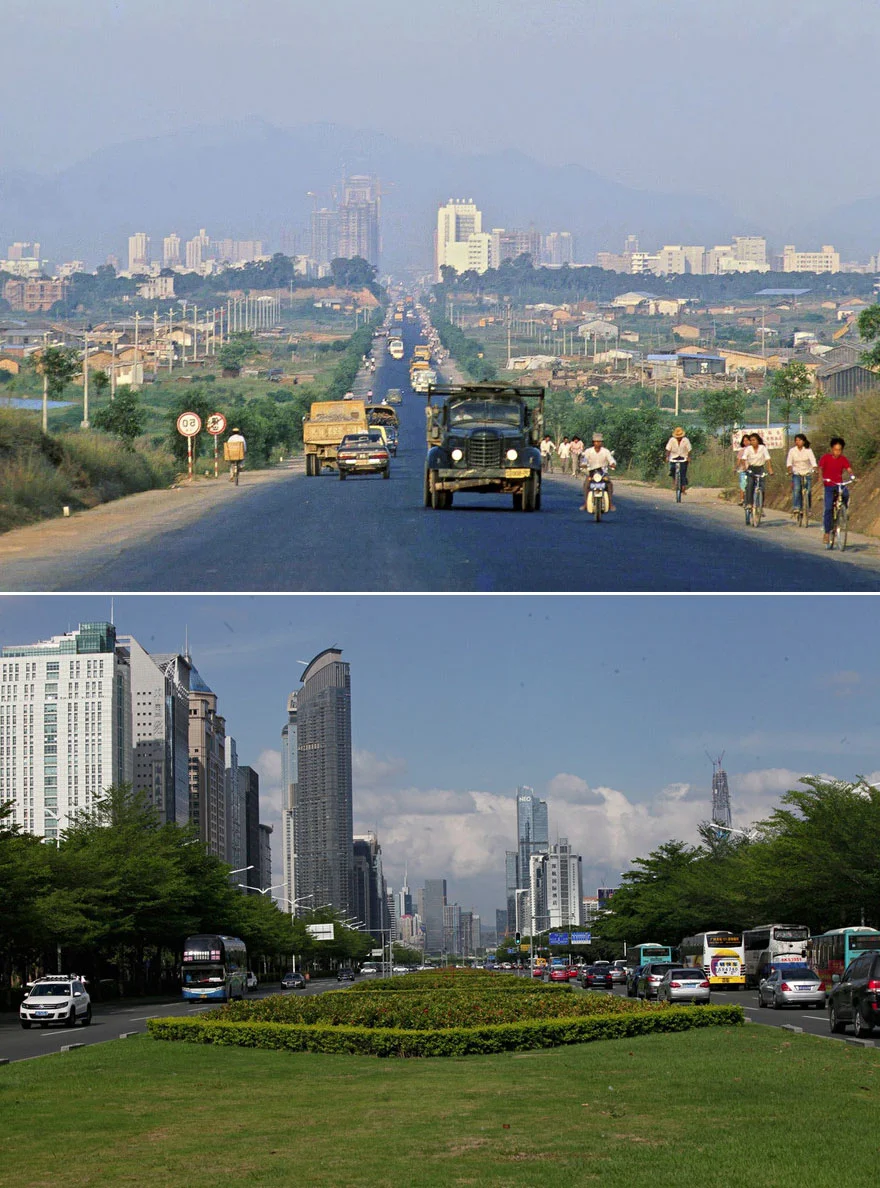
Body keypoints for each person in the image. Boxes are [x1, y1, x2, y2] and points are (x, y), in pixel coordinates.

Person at [818, 436, 856, 546]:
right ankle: (826, 532)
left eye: (839, 450)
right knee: (829, 508)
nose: (837, 452)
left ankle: (843, 510)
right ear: (831, 449)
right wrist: (821, 478)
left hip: (839, 484)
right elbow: (820, 468)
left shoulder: (843, 459)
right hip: (829, 485)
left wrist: (852, 475)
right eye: (835, 449)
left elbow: (848, 468)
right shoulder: (825, 458)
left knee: (846, 494)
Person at [580, 432, 617, 511]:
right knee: (586, 484)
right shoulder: (588, 451)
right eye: (596, 441)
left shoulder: (605, 451)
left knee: (609, 484)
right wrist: (583, 464)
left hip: (603, 472)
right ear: (593, 442)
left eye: (599, 441)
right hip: (592, 472)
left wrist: (612, 464)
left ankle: (610, 504)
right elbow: (585, 460)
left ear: (601, 442)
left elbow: (611, 459)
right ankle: (586, 504)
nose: (597, 443)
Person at [786, 432, 818, 518]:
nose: (797, 442)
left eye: (799, 440)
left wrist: (815, 468)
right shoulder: (792, 451)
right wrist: (789, 470)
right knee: (797, 489)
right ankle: (797, 507)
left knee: (808, 491)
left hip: (807, 472)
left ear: (803, 441)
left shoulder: (808, 450)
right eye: (796, 440)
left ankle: (809, 509)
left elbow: (813, 461)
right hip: (796, 472)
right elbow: (789, 462)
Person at [740, 432, 773, 514]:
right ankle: (749, 503)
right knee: (750, 485)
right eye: (751, 440)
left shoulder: (763, 448)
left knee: (762, 487)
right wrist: (744, 467)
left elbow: (767, 458)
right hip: (751, 468)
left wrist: (770, 469)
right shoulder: (748, 449)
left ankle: (760, 506)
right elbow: (743, 458)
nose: (752, 442)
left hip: (760, 468)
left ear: (758, 440)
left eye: (754, 440)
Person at [665, 426, 692, 495]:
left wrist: (688, 457)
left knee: (683, 472)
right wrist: (667, 457)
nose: (679, 437)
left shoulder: (686, 440)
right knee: (673, 469)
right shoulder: (672, 440)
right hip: (674, 457)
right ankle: (675, 482)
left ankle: (683, 486)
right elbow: (668, 449)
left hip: (683, 457)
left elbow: (689, 449)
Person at [735, 434, 750, 505]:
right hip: (743, 470)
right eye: (744, 441)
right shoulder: (741, 451)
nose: (746, 442)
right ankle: (742, 499)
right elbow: (738, 461)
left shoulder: (753, 450)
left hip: (752, 470)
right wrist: (736, 468)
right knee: (743, 485)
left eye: (747, 440)